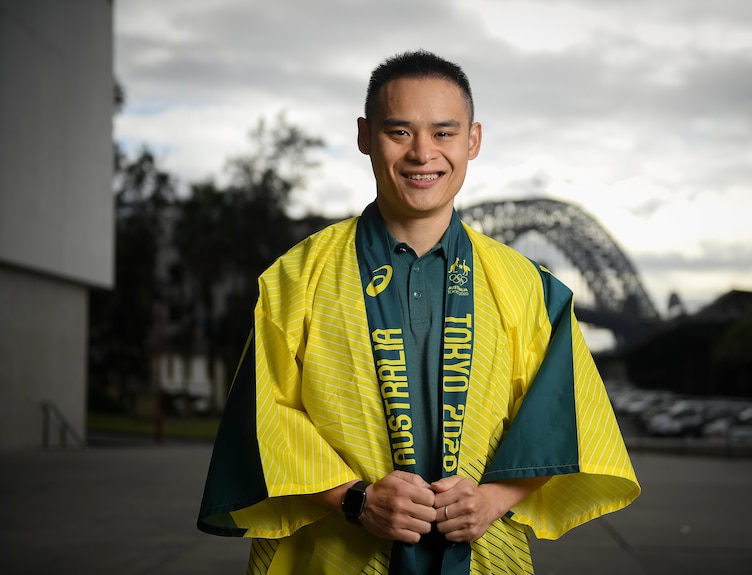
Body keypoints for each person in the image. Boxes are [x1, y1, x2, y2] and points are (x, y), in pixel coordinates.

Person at [198, 49, 640, 575]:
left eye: (445, 133)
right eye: (400, 132)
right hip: (337, 558)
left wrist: (493, 501)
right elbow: (263, 420)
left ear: (473, 140)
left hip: (484, 558)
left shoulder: (530, 288)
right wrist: (355, 500)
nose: (422, 154)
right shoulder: (297, 278)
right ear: (365, 136)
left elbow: (559, 423)